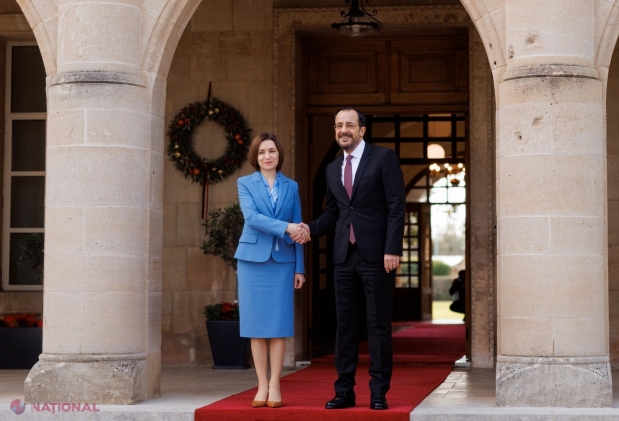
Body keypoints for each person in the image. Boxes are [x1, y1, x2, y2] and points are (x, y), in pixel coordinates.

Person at [299, 107, 405, 411]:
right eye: (338, 125)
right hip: (344, 257)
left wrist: (392, 248)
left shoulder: (383, 158)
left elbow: (396, 206)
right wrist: (309, 229)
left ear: (362, 130)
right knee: (344, 326)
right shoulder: (333, 168)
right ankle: (344, 391)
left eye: (349, 125)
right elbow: (334, 213)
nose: (343, 130)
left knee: (377, 325)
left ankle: (378, 392)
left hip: (377, 256)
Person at [234, 133, 309, 409]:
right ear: (256, 157)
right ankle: (261, 384)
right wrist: (286, 227)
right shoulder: (245, 183)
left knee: (278, 326)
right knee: (256, 326)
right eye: (262, 152)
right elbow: (252, 218)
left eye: (272, 151)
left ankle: (275, 384)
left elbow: (299, 227)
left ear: (279, 155)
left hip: (283, 263)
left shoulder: (292, 186)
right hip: (252, 262)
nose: (267, 156)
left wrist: (299, 267)